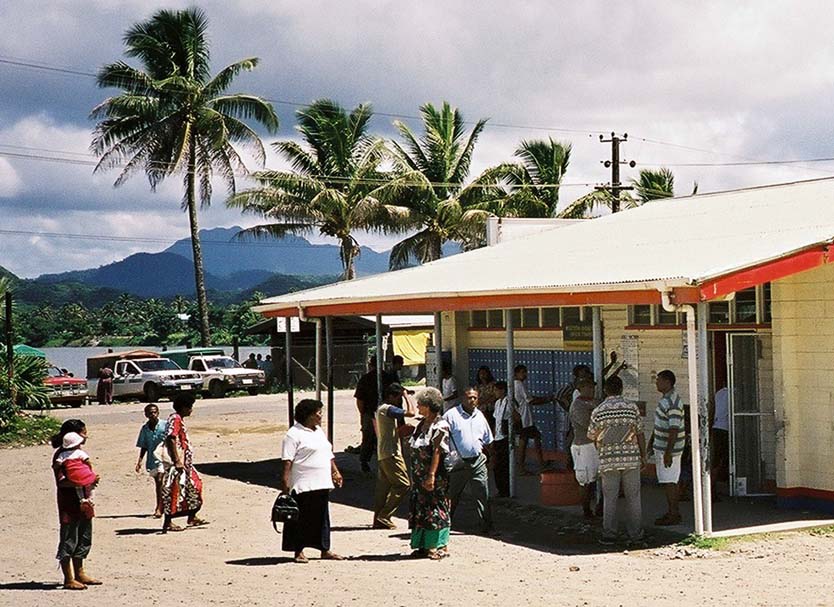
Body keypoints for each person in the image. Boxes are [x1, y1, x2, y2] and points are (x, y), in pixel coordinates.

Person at [281, 399, 344, 563]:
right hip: (303, 484)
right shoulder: (293, 434)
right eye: (318, 412)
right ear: (308, 415)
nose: (320, 415)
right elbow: (288, 461)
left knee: (321, 516)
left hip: (321, 482)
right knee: (300, 517)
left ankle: (324, 549)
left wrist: (335, 472)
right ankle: (298, 550)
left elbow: (327, 454)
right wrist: (285, 485)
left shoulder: (318, 431)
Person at [588, 376, 647, 547]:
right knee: (634, 497)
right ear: (621, 389)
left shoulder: (598, 411)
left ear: (606, 390)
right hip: (631, 459)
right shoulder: (631, 408)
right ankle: (636, 534)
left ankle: (609, 534)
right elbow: (640, 433)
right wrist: (643, 456)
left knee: (610, 498)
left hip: (608, 460)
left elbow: (592, 435)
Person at [50, 419, 102, 590]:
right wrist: (82, 480)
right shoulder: (61, 456)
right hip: (69, 504)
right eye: (83, 432)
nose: (86, 436)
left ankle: (80, 572)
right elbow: (62, 482)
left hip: (85, 502)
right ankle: (68, 578)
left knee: (84, 536)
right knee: (69, 538)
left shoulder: (79, 453)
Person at [408, 387, 452, 560]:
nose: (418, 407)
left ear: (429, 405)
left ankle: (437, 545)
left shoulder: (441, 425)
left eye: (420, 404)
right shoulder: (421, 424)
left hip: (434, 476)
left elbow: (437, 451)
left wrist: (431, 475)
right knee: (421, 507)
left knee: (435, 508)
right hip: (419, 477)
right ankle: (422, 545)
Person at [444, 387, 495, 534]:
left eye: (474, 397)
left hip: (477, 461)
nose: (472, 400)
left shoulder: (480, 416)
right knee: (453, 495)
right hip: (458, 463)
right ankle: (444, 525)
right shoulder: (451, 415)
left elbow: (488, 440)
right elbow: (442, 438)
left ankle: (486, 526)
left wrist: (492, 457)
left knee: (482, 494)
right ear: (462, 399)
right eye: (469, 397)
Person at [161, 393, 207, 532]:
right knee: (174, 490)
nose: (191, 410)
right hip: (179, 464)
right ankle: (168, 521)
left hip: (185, 464)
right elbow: (171, 439)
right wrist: (177, 460)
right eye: (189, 407)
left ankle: (191, 516)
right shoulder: (175, 419)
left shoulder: (178, 419)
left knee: (193, 488)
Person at [373, 383, 415, 529]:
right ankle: (384, 515)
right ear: (391, 396)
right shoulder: (387, 409)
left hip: (384, 453)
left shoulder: (381, 410)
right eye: (397, 397)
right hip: (391, 453)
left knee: (383, 488)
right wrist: (406, 396)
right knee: (403, 484)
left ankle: (378, 519)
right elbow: (411, 413)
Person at [649, 369, 686, 526]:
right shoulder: (664, 400)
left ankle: (674, 513)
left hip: (669, 449)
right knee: (667, 480)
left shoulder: (672, 402)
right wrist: (652, 442)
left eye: (659, 380)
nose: (657, 382)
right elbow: (660, 423)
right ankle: (671, 511)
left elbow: (674, 428)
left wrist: (668, 452)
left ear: (667, 382)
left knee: (670, 481)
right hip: (661, 446)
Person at [354, 355, 393, 473]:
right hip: (383, 412)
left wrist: (362, 414)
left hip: (370, 413)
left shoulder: (366, 379)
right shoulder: (387, 377)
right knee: (385, 438)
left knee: (368, 438)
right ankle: (384, 463)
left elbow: (360, 400)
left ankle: (365, 462)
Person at [513, 364, 552, 475]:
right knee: (525, 441)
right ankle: (524, 466)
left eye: (525, 372)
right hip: (524, 418)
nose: (525, 374)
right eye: (522, 372)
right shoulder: (519, 384)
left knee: (531, 438)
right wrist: (546, 400)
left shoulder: (514, 385)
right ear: (516, 373)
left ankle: (539, 462)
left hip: (522, 418)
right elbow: (530, 400)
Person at [569, 378, 600, 518]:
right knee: (585, 479)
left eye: (593, 388)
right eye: (588, 388)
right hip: (583, 445)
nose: (592, 390)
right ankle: (586, 510)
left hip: (595, 445)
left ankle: (599, 506)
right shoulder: (577, 405)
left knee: (599, 477)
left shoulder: (595, 402)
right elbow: (588, 425)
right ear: (581, 389)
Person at [135, 404, 168, 518]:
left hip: (165, 458)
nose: (152, 415)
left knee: (160, 481)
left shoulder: (165, 425)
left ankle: (159, 507)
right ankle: (162, 505)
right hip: (152, 460)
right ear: (146, 415)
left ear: (158, 413)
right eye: (150, 413)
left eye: (154, 412)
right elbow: (144, 445)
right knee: (158, 483)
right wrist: (139, 461)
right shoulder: (145, 429)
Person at [491, 381, 511, 497]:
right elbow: (495, 421)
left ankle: (505, 490)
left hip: (505, 437)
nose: (495, 392)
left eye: (496, 390)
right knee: (497, 466)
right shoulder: (498, 403)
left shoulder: (508, 402)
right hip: (498, 436)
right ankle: (501, 489)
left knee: (503, 465)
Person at [710, 383, 730, 497]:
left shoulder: (718, 393)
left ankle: (712, 488)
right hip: (725, 428)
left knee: (717, 459)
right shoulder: (733, 394)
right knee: (720, 460)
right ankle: (712, 490)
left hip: (716, 426)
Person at [475, 366, 498, 431]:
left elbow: (495, 397)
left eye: (484, 373)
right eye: (481, 374)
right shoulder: (477, 386)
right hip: (481, 410)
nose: (482, 375)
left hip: (491, 410)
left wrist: (485, 401)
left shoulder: (493, 385)